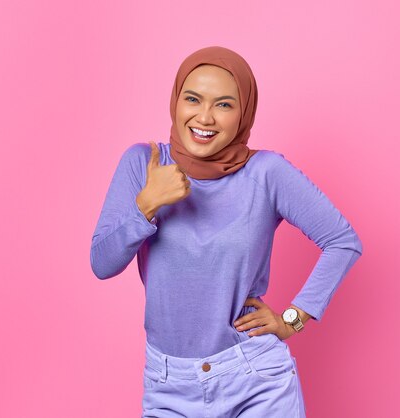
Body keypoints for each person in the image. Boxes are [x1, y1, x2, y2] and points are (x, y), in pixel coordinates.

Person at [90, 46, 363, 417]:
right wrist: (147, 205)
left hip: (255, 381)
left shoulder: (266, 173)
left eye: (223, 105)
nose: (205, 117)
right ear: (176, 101)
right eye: (193, 99)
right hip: (168, 384)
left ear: (243, 113)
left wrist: (293, 319)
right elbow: (102, 264)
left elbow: (341, 241)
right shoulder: (143, 163)